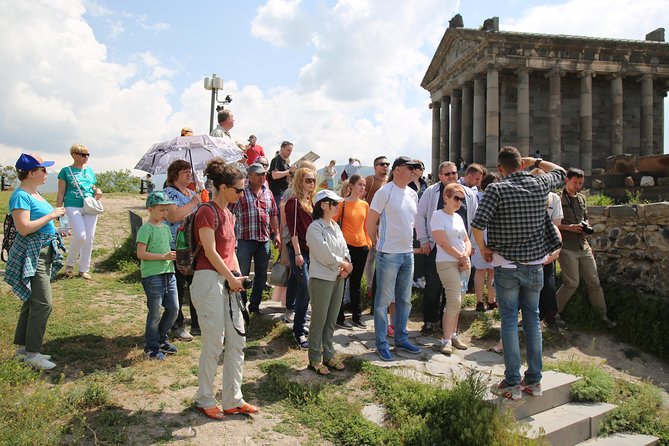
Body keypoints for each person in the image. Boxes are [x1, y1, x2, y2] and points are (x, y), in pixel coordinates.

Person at [471, 147, 565, 400]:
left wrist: (484, 249)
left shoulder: (496, 189)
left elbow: (478, 224)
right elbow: (562, 173)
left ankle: (512, 381)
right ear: (521, 164)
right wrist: (538, 160)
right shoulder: (539, 183)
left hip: (506, 264)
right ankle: (534, 381)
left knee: (510, 321)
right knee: (533, 321)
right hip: (535, 264)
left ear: (500, 168)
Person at [191, 159, 258, 420]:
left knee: (237, 341)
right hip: (208, 280)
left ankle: (233, 399)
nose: (242, 194)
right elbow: (210, 250)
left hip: (228, 281)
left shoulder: (230, 214)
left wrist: (237, 278)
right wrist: (231, 277)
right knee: (214, 342)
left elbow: (230, 253)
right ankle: (204, 398)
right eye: (238, 190)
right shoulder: (207, 212)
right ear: (222, 187)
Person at [5, 153, 66, 370]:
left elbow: (36, 224)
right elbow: (24, 228)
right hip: (34, 253)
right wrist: (52, 216)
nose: (46, 173)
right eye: (43, 169)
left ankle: (23, 350)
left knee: (31, 301)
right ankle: (33, 353)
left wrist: (56, 229)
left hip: (43, 250)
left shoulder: (34, 193)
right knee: (43, 303)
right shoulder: (21, 195)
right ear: (31, 173)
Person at [366, 156, 423, 361]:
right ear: (398, 170)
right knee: (382, 302)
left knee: (404, 300)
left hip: (407, 254)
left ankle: (401, 338)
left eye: (415, 168)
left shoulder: (412, 193)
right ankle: (381, 343)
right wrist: (376, 244)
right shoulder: (384, 192)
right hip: (388, 253)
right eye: (411, 168)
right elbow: (370, 221)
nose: (414, 171)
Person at [415, 161, 476, 336]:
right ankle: (429, 320)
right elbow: (421, 215)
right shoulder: (431, 191)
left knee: (455, 288)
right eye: (447, 174)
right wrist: (424, 240)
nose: (451, 176)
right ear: (440, 176)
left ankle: (446, 324)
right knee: (433, 286)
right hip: (436, 246)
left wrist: (471, 245)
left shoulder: (468, 194)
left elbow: (474, 220)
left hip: (461, 248)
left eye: (454, 173)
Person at [555, 168, 616, 328]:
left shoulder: (582, 199)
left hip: (583, 245)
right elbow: (552, 225)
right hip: (566, 246)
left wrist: (585, 226)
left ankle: (602, 317)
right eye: (575, 182)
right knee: (571, 283)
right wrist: (570, 227)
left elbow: (585, 218)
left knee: (594, 283)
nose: (577, 186)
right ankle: (552, 314)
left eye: (580, 183)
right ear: (566, 180)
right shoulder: (557, 199)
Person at [306, 190, 353, 375]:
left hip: (337, 277)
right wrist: (343, 264)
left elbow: (344, 248)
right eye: (334, 203)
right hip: (322, 278)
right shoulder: (315, 228)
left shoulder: (335, 226)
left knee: (331, 319)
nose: (337, 206)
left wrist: (346, 264)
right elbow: (323, 253)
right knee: (319, 320)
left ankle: (329, 354)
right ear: (323, 205)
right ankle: (315, 358)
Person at [230, 163, 280, 314]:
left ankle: (255, 306)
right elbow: (229, 212)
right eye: (258, 174)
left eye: (263, 174)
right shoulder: (241, 192)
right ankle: (241, 304)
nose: (262, 177)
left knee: (261, 274)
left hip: (263, 239)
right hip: (245, 239)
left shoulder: (268, 192)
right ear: (249, 176)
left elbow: (273, 214)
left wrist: (276, 233)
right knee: (242, 273)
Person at [136, 191, 179, 360]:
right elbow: (141, 253)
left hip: (169, 273)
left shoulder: (166, 228)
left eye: (166, 210)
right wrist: (164, 257)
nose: (165, 213)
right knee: (155, 312)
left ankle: (161, 338)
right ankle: (151, 347)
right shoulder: (145, 229)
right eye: (161, 210)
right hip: (153, 275)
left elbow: (167, 248)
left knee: (174, 308)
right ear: (150, 209)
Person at [164, 160, 202, 341]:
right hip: (176, 246)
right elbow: (173, 216)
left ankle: (197, 323)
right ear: (174, 174)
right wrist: (194, 203)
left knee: (196, 286)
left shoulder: (193, 193)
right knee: (178, 288)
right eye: (184, 171)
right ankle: (178, 325)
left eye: (189, 171)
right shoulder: (168, 193)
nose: (189, 174)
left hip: (194, 247)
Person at [431, 183, 472, 355]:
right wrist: (460, 256)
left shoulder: (458, 217)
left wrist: (466, 255)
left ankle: (453, 334)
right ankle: (446, 339)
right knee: (453, 299)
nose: (459, 202)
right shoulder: (437, 215)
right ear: (446, 197)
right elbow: (442, 241)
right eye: (456, 198)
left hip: (463, 262)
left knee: (460, 300)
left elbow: (466, 240)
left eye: (461, 199)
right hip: (447, 262)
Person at [56, 143, 103, 280]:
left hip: (89, 205)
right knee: (81, 235)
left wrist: (97, 190)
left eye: (88, 154)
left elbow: (92, 185)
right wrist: (59, 209)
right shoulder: (66, 171)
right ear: (74, 155)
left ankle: (84, 269)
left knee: (89, 238)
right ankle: (70, 265)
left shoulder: (89, 171)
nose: (86, 157)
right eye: (83, 154)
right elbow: (61, 191)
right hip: (72, 205)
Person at [333, 174, 371, 329]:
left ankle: (357, 315)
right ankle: (339, 316)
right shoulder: (342, 204)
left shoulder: (365, 205)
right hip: (346, 246)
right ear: (351, 186)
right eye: (360, 184)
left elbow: (366, 226)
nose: (362, 187)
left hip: (362, 246)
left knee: (356, 282)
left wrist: (369, 242)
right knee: (342, 280)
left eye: (364, 185)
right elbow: (333, 223)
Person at [285, 167, 317, 349]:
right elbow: (293, 230)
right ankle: (298, 331)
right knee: (305, 287)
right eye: (307, 180)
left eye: (313, 180)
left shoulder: (310, 201)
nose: (311, 183)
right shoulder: (294, 202)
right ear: (299, 181)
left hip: (311, 250)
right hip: (299, 250)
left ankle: (301, 322)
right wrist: (297, 253)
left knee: (303, 286)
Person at [363, 155, 390, 311]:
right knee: (370, 258)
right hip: (371, 225)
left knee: (382, 259)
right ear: (375, 166)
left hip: (386, 226)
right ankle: (370, 288)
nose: (385, 166)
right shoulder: (370, 180)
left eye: (387, 164)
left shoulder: (391, 182)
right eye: (381, 164)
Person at [473, 172, 500, 312]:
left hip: (495, 238)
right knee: (481, 270)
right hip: (480, 238)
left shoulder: (500, 197)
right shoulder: (477, 197)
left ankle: (491, 299)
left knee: (493, 270)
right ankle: (479, 301)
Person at [268, 141, 297, 219]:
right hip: (277, 193)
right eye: (288, 150)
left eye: (291, 151)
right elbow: (274, 175)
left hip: (284, 193)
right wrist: (289, 171)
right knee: (279, 217)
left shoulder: (286, 163)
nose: (290, 153)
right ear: (282, 148)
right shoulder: (276, 160)